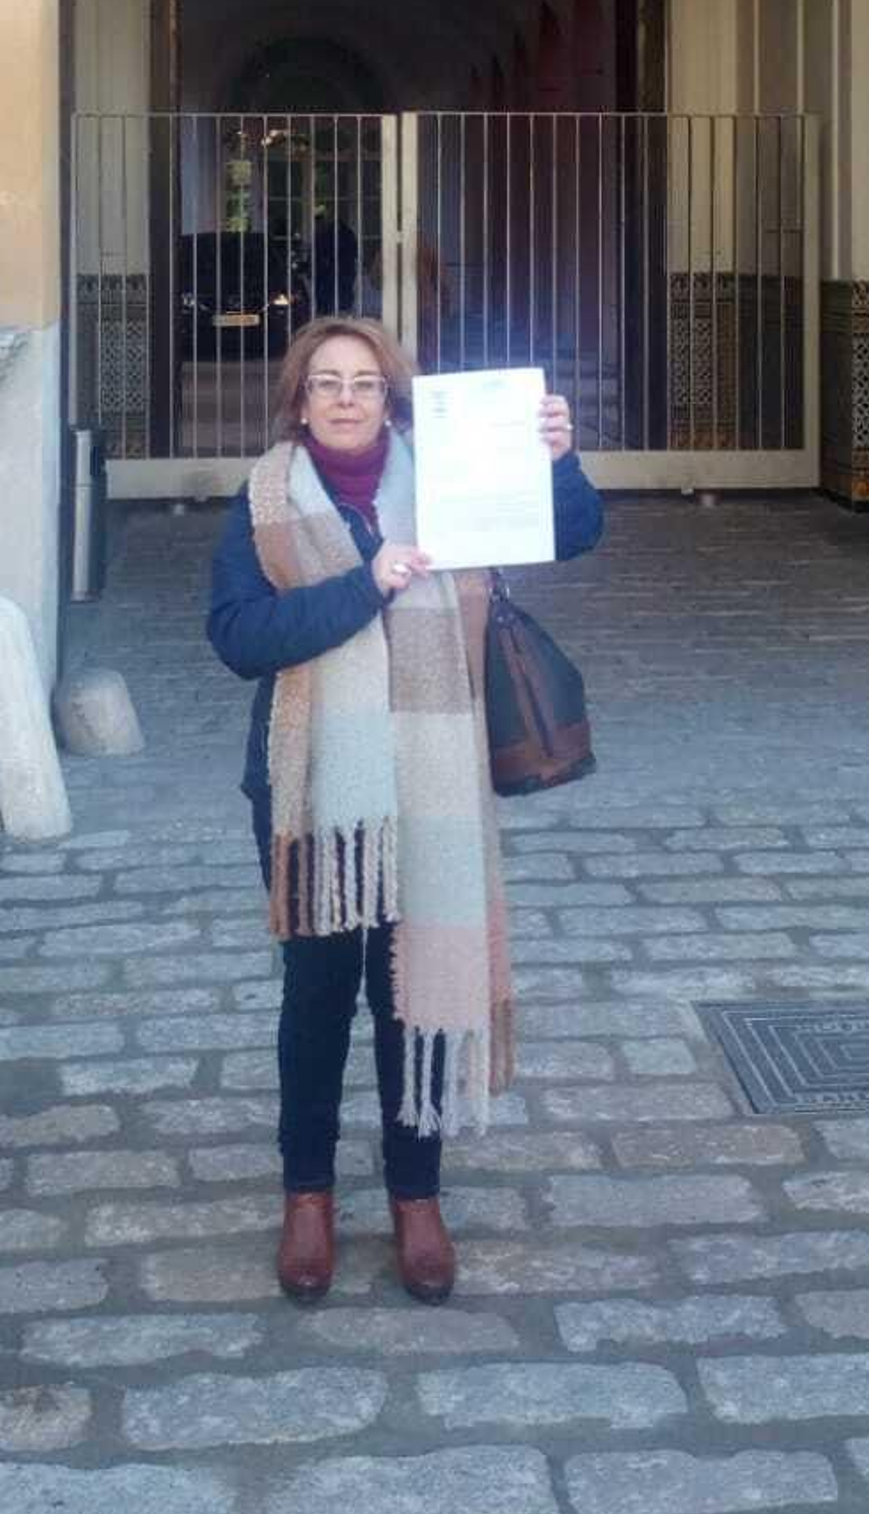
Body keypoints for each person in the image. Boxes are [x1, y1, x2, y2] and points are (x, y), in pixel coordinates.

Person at [206, 314, 604, 1304]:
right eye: (327, 383)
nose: (346, 398)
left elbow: (568, 534)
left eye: (367, 383)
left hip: (430, 785)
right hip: (312, 802)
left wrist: (555, 460)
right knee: (315, 996)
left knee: (410, 988)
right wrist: (361, 586)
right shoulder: (262, 502)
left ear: (393, 398)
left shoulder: (453, 479)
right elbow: (240, 638)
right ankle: (308, 1200)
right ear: (298, 401)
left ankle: (414, 1198)